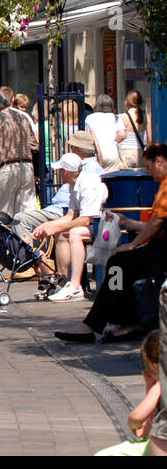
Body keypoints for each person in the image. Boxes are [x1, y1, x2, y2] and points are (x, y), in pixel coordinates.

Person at [54, 141, 167, 342]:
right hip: (158, 247)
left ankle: (115, 322)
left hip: (161, 251)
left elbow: (156, 224)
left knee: (120, 263)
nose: (149, 173)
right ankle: (110, 320)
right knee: (119, 265)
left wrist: (131, 244)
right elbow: (155, 225)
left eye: (148, 167)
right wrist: (129, 222)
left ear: (159, 161)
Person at [33, 134, 106, 302]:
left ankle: (75, 286)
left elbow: (86, 219)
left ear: (66, 171)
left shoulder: (88, 183)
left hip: (104, 225)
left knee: (74, 233)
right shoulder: (75, 184)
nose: (59, 174)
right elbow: (71, 215)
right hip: (95, 222)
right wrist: (48, 225)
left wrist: (55, 227)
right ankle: (63, 281)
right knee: (64, 234)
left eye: (60, 171)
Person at [95, 332, 161, 455]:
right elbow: (149, 432)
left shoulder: (161, 385)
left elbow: (136, 417)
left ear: (155, 366)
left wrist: (134, 425)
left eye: (151, 370)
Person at [0, 89, 37, 218]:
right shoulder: (22, 117)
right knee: (26, 212)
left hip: (7, 168)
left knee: (0, 212)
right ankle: (27, 238)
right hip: (26, 167)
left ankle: (3, 238)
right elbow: (34, 145)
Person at [119, 90, 148, 170]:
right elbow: (149, 138)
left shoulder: (123, 117)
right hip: (141, 154)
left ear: (127, 101)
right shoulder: (145, 117)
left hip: (126, 154)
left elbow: (120, 136)